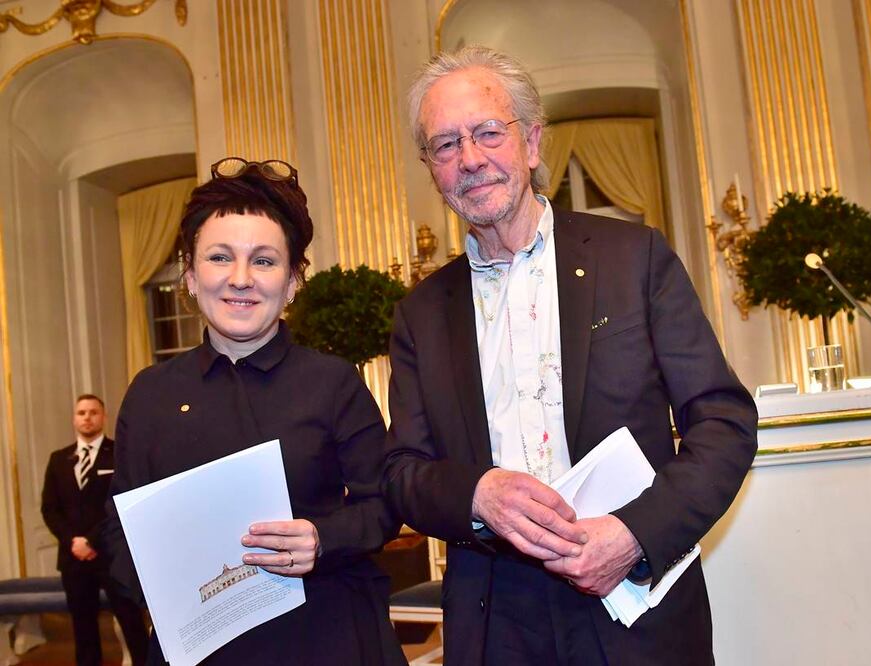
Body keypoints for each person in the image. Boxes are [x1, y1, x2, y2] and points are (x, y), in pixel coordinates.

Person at [383, 46, 759, 665]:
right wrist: (477, 495)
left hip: (634, 599)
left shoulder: (633, 259)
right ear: (432, 170)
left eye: (486, 133)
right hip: (496, 619)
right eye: (445, 145)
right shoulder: (421, 313)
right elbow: (401, 471)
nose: (470, 159)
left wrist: (635, 534)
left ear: (530, 143)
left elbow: (723, 422)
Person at [103, 158, 406, 665]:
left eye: (263, 261)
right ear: (191, 275)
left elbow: (385, 504)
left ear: (291, 282)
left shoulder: (333, 383)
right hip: (200, 646)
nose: (240, 279)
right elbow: (119, 527)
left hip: (325, 635)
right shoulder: (150, 393)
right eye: (220, 257)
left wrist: (321, 539)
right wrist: (159, 592)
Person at [41, 394, 149, 666]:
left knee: (131, 622)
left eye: (93, 412)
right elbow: (49, 509)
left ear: (103, 417)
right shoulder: (58, 459)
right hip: (73, 559)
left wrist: (91, 540)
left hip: (112, 556)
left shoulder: (118, 455)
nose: (86, 417)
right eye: (81, 413)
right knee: (83, 628)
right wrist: (72, 542)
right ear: (74, 418)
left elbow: (120, 502)